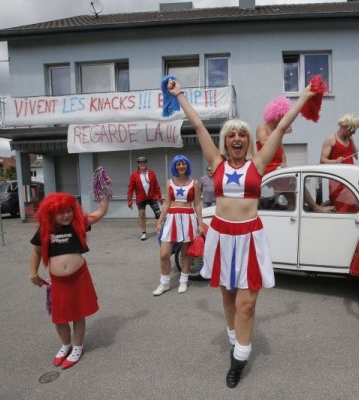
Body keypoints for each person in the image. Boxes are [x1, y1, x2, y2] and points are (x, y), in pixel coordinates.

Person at [167, 78, 315, 388]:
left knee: (247, 304)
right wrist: (179, 95)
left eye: (241, 134)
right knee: (228, 296)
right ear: (225, 141)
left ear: (248, 140)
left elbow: (281, 125)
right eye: (231, 134)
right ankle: (234, 336)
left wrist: (305, 96)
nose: (237, 138)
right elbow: (198, 126)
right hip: (221, 237)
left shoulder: (259, 163)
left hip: (250, 237)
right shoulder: (216, 163)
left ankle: (239, 359)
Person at [29, 192, 109, 369]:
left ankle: (78, 347)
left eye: (68, 210)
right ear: (50, 213)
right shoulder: (45, 229)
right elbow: (36, 252)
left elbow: (101, 212)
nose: (66, 215)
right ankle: (66, 345)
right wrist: (33, 273)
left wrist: (104, 192)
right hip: (58, 281)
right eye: (60, 212)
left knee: (78, 314)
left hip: (79, 276)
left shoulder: (78, 224)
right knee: (59, 318)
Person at [154, 155, 204, 295]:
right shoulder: (169, 182)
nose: (181, 166)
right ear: (174, 166)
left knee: (185, 253)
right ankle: (164, 283)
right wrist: (160, 221)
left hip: (188, 218)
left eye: (183, 164)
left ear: (187, 165)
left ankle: (183, 280)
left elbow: (197, 204)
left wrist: (200, 223)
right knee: (164, 254)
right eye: (178, 164)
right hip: (172, 218)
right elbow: (166, 203)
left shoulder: (195, 183)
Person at [127, 156, 163, 240]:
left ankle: (160, 230)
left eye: (144, 162)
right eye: (140, 163)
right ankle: (144, 233)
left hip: (152, 196)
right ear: (138, 164)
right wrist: (129, 200)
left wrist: (160, 197)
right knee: (142, 214)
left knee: (158, 214)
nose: (142, 164)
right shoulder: (134, 175)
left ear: (146, 164)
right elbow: (130, 188)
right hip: (141, 198)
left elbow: (156, 186)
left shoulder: (151, 173)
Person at [256, 96, 293, 175]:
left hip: (278, 168)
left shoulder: (278, 131)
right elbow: (263, 142)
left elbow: (282, 152)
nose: (285, 119)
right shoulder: (262, 127)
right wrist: (282, 132)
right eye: (283, 116)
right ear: (277, 115)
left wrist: (284, 164)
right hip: (267, 167)